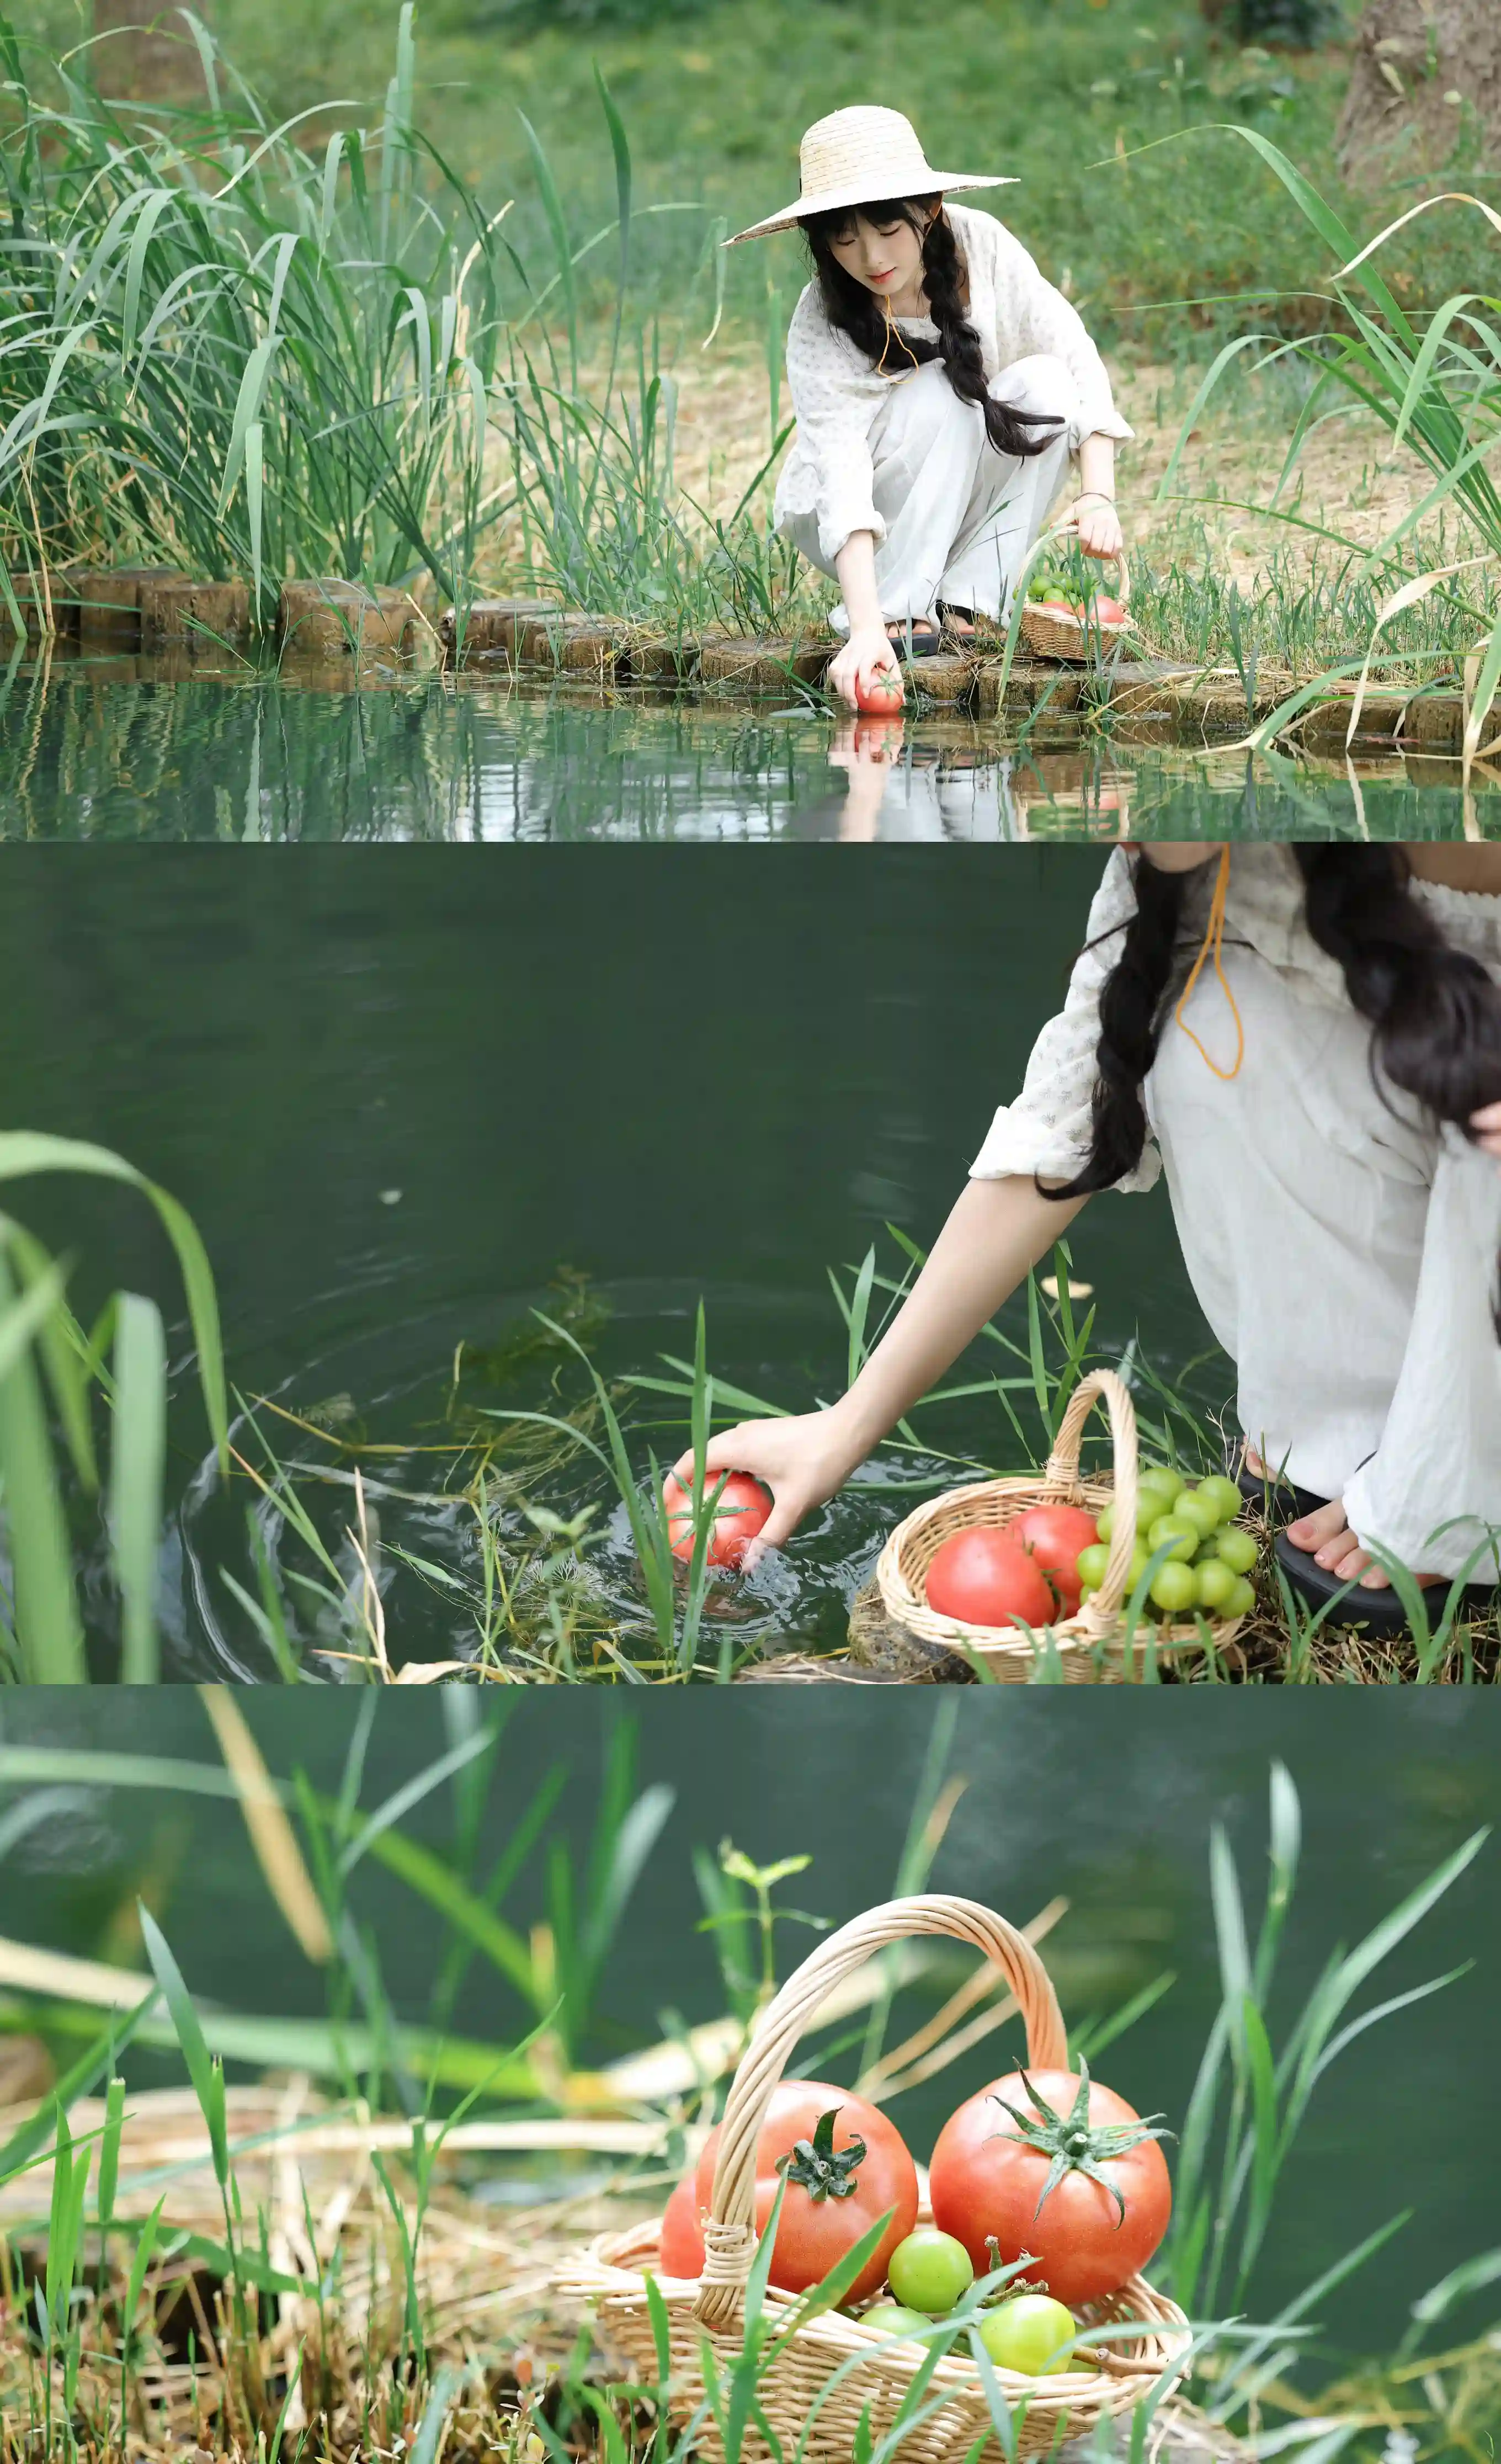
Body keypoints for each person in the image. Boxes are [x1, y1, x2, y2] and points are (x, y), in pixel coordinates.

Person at [672, 842, 1501, 1613]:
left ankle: (1453, 1495)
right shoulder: (1182, 862)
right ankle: (1330, 1441)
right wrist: (845, 1427)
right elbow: (1058, 1132)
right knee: (1214, 1015)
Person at [726, 105, 1131, 713]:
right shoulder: (821, 320)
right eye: (843, 237)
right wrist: (868, 625)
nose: (869, 258)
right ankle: (900, 608)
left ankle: (966, 600)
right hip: (846, 511)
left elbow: (1073, 358)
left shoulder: (982, 244)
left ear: (930, 207)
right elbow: (839, 474)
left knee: (1043, 387)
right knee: (937, 387)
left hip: (953, 471)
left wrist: (1097, 493)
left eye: (887, 231)